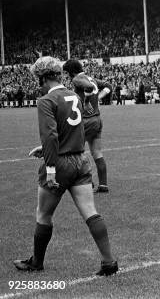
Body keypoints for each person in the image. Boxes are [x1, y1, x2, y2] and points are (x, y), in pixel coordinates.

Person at [14, 56, 118, 275]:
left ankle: (36, 262)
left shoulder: (45, 101)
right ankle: (109, 262)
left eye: (37, 79)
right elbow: (74, 131)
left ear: (42, 78)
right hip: (80, 160)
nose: (37, 84)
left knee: (43, 214)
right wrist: (47, 148)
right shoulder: (74, 96)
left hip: (60, 164)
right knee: (91, 211)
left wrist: (50, 167)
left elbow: (50, 135)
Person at [63, 60, 113, 193]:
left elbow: (89, 88)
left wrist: (86, 101)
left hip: (85, 121)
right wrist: (98, 98)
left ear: (72, 71)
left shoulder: (77, 79)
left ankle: (88, 182)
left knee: (76, 152)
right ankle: (103, 185)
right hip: (97, 119)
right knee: (97, 152)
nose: (67, 76)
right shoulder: (91, 77)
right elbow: (108, 86)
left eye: (67, 73)